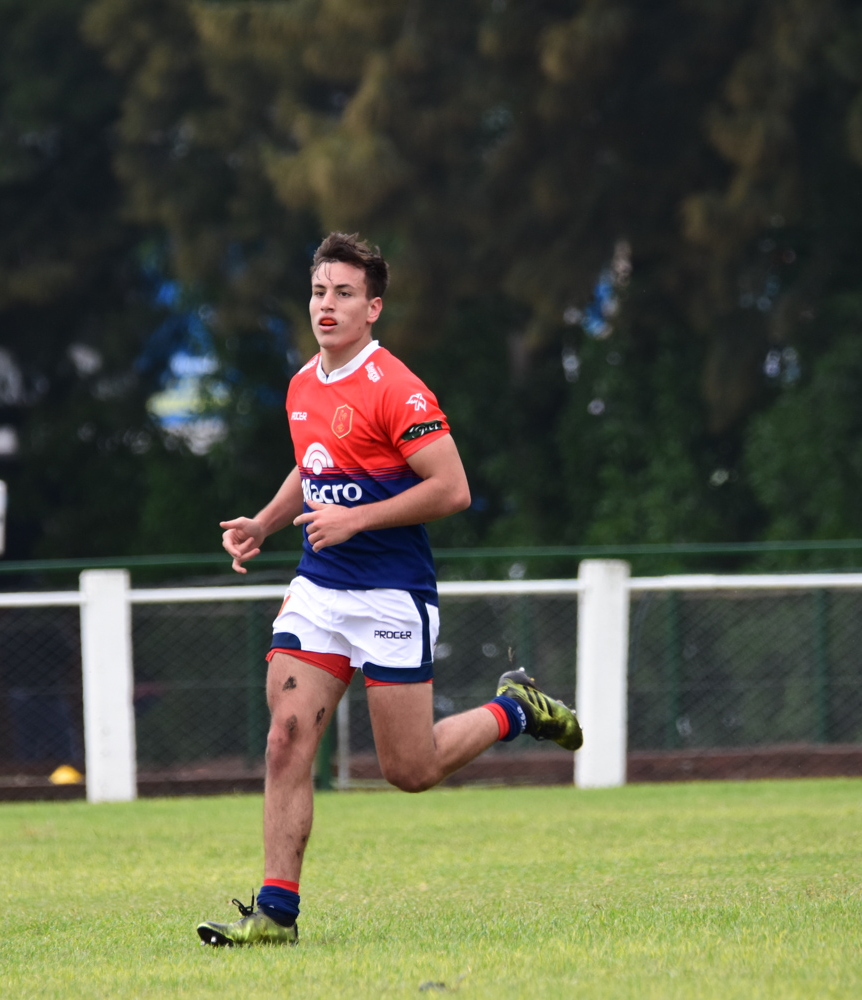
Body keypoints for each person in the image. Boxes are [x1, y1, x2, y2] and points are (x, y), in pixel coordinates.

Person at [196, 233, 583, 947]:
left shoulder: (397, 389)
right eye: (319, 291)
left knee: (409, 770)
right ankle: (276, 913)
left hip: (392, 593)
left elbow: (454, 489)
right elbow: (313, 466)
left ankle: (515, 709)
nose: (327, 305)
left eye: (344, 294)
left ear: (372, 308)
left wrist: (359, 518)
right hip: (319, 587)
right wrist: (265, 523)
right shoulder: (303, 383)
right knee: (285, 738)